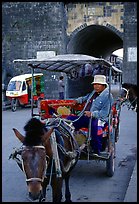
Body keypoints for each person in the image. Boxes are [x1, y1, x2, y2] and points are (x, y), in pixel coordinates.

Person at [67, 75, 114, 157]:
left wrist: (92, 114)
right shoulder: (93, 93)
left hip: (99, 119)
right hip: (86, 117)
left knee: (94, 126)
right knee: (68, 120)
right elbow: (85, 98)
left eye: (98, 84)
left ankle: (96, 150)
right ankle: (70, 144)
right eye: (95, 84)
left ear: (104, 86)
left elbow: (104, 113)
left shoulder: (108, 96)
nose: (96, 86)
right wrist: (77, 101)